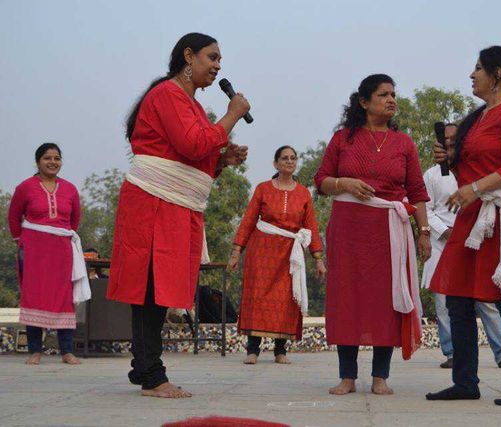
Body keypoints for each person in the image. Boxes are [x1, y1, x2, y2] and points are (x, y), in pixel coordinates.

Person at [106, 32, 251, 399]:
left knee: (156, 288)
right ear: (189, 56)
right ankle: (153, 376)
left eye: (221, 60)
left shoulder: (192, 105)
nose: (218, 66)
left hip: (175, 203)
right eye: (212, 57)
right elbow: (192, 144)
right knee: (152, 288)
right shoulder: (167, 94)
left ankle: (143, 368)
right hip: (154, 201)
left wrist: (221, 160)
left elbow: (195, 156)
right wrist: (232, 116)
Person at [426, 46, 501, 406]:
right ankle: (465, 380)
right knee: (458, 298)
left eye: (477, 68)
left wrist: (477, 187)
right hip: (472, 217)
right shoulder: (478, 116)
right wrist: (451, 159)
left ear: (497, 74)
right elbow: (477, 165)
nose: (471, 74)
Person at [314, 74, 431, 396]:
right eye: (383, 94)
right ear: (364, 102)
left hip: (389, 231)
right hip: (348, 228)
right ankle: (347, 376)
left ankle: (381, 376)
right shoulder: (343, 139)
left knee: (386, 300)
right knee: (347, 297)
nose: (391, 99)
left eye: (394, 94)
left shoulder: (404, 142)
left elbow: (418, 192)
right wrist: (344, 183)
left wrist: (423, 233)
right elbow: (321, 180)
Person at [422, 124, 501, 370]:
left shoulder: (478, 170)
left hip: (477, 239)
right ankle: (452, 352)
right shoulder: (432, 175)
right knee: (444, 301)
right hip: (444, 242)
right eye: (446, 141)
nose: (450, 145)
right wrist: (445, 231)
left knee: (486, 298)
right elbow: (424, 209)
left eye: (455, 140)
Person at [228, 146, 325, 365]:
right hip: (261, 250)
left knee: (286, 299)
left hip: (290, 254)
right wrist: (236, 252)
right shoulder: (263, 189)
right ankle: (252, 350)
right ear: (276, 163)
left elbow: (311, 226)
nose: (289, 161)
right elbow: (248, 220)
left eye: (293, 158)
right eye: (284, 158)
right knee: (257, 297)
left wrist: (318, 259)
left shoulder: (303, 193)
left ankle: (280, 350)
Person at [8, 143, 85, 365]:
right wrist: (21, 242)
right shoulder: (26, 187)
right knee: (35, 295)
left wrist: (61, 236)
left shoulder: (70, 189)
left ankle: (67, 351)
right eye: (47, 158)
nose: (52, 162)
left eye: (57, 158)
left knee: (64, 296)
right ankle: (35, 350)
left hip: (61, 250)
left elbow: (74, 220)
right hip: (33, 249)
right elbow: (14, 217)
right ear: (38, 161)